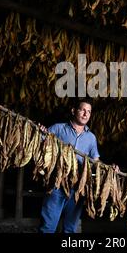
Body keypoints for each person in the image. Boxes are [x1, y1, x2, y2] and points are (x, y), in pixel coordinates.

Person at [38, 98, 100, 233]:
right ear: (73, 111)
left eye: (89, 112)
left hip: (77, 188)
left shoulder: (91, 138)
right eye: (82, 110)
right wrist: (41, 133)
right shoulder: (58, 128)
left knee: (70, 229)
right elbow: (40, 144)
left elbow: (96, 162)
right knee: (47, 227)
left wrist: (111, 168)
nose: (85, 114)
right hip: (57, 185)